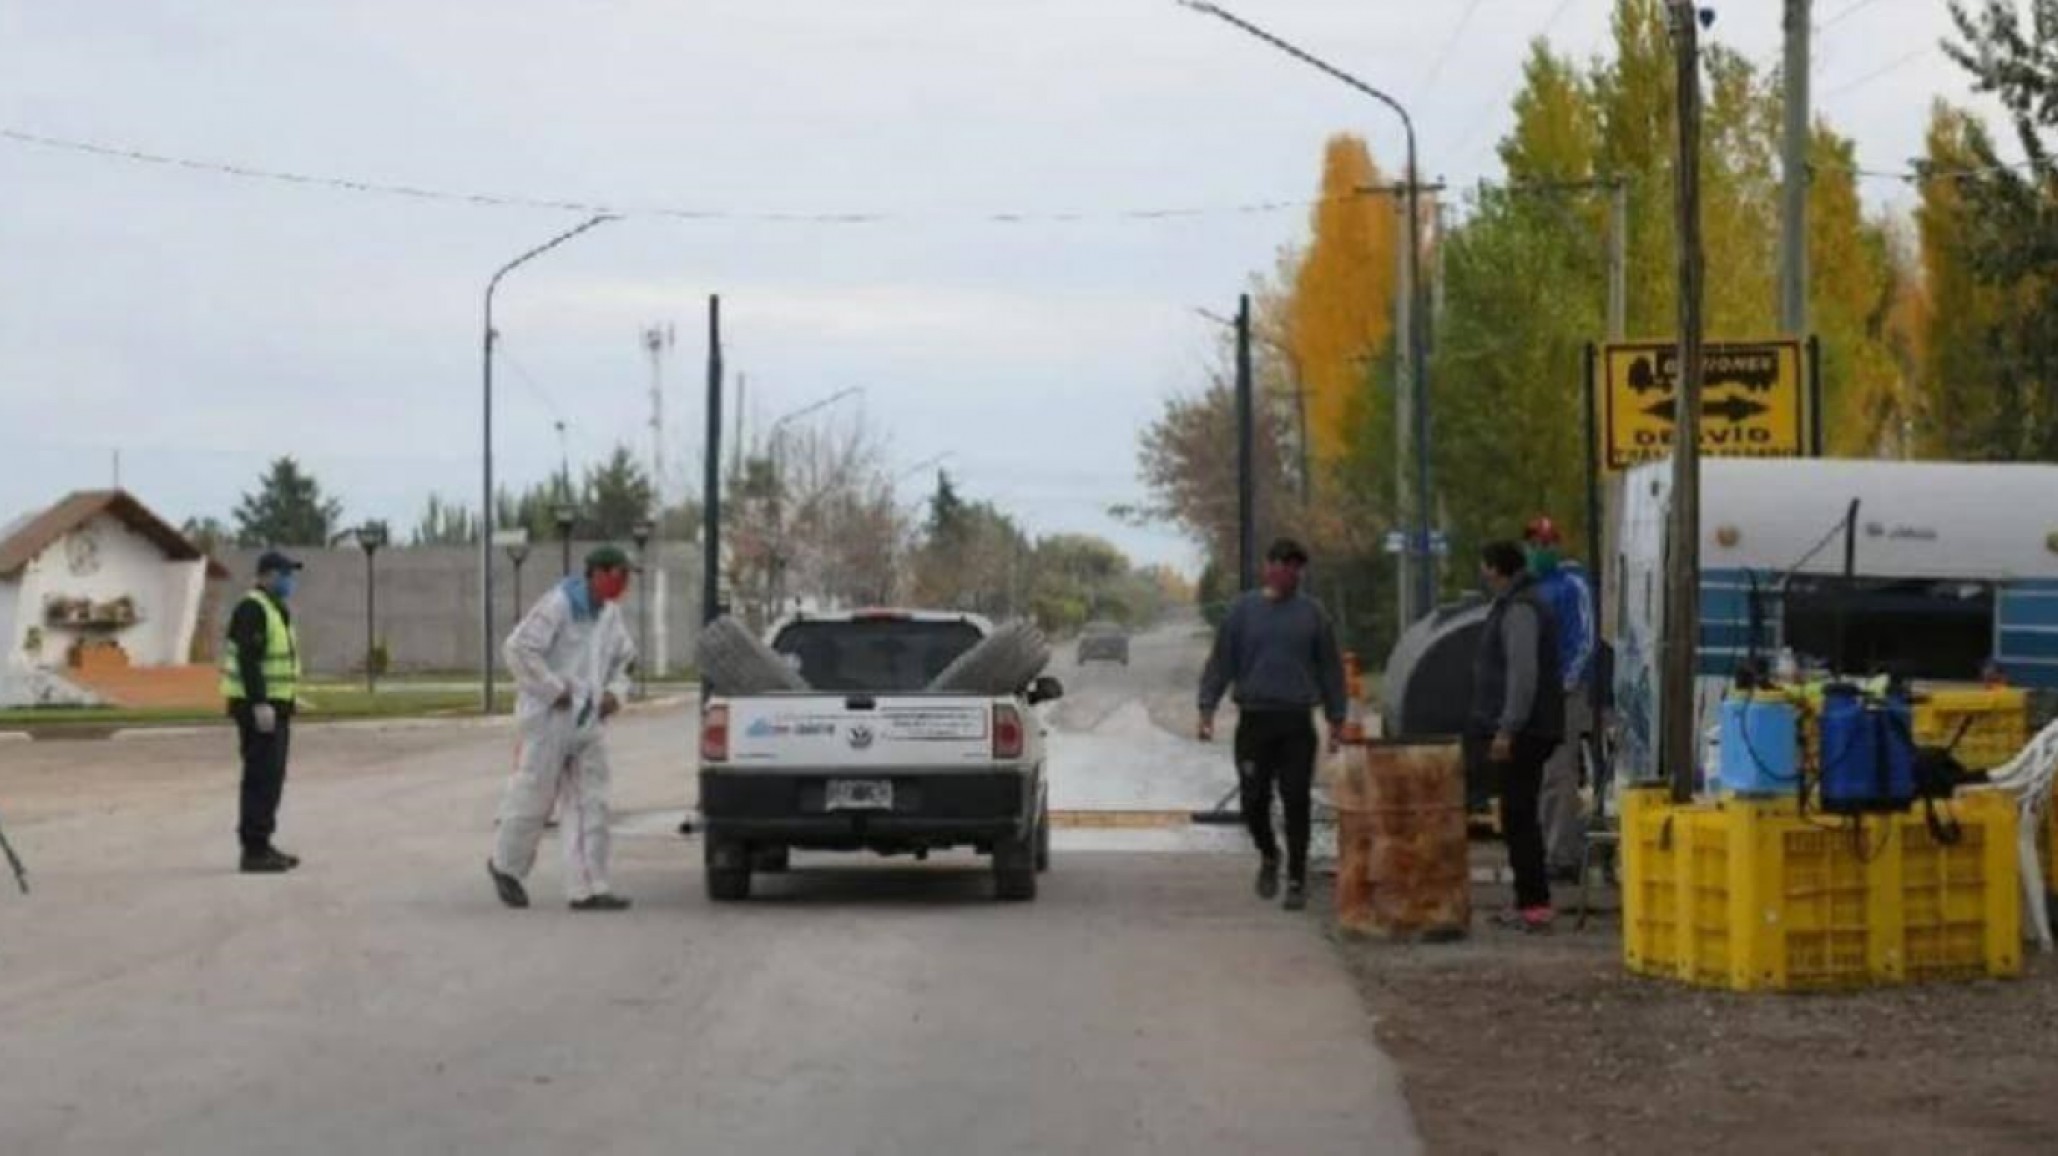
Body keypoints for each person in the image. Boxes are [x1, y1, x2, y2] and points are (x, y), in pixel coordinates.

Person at [1198, 538, 1348, 913]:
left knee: (1297, 799)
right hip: (1254, 721)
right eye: (1285, 566)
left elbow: (1330, 669)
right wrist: (1206, 710)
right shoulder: (1242, 612)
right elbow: (1221, 663)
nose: (1292, 574)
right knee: (1254, 800)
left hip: (1297, 722)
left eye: (1298, 568)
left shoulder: (1313, 614)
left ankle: (1297, 879)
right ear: (1269, 567)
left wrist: (1336, 718)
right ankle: (1269, 854)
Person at [487, 546, 638, 912]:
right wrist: (553, 689)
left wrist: (615, 694)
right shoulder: (558, 605)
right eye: (618, 575)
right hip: (548, 718)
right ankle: (506, 866)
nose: (623, 584)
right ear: (597, 574)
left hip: (588, 721)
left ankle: (588, 887)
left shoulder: (609, 615)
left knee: (592, 802)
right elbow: (519, 649)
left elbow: (626, 660)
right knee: (534, 796)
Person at [1469, 540, 1565, 932]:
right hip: (1531, 725)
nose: (1483, 575)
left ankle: (1534, 902)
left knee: (1519, 815)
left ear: (1495, 569)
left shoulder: (1521, 609)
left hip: (1526, 729)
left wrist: (1507, 727)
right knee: (1517, 813)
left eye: (1484, 567)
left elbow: (1522, 675)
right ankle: (1530, 899)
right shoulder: (1520, 603)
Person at [219, 550, 305, 874]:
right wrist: (259, 702)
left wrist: (287, 700)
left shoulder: (274, 608)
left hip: (275, 707)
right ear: (267, 575)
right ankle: (253, 850)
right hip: (258, 709)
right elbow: (249, 660)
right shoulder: (253, 608)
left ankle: (263, 843)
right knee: (260, 778)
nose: (289, 581)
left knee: (272, 778)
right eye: (285, 574)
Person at [1523, 515, 1597, 882]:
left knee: (1558, 773)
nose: (1540, 550)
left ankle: (1562, 853)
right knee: (1537, 775)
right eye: (1535, 543)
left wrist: (1567, 682)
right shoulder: (1530, 587)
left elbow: (1585, 639)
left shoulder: (1571, 585)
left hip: (1564, 693)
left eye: (1546, 543)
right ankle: (1543, 846)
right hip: (1534, 694)